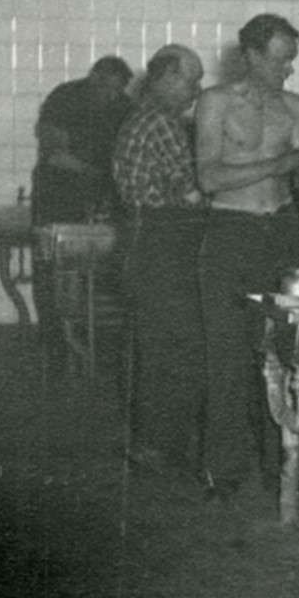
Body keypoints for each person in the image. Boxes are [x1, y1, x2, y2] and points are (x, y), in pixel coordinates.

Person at [194, 13, 299, 501]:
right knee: (226, 355)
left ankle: (282, 463)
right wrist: (281, 163)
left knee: (286, 350)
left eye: (291, 59)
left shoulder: (295, 106)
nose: (287, 69)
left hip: (282, 231)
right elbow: (208, 178)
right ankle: (222, 468)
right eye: (279, 59)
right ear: (250, 55)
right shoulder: (216, 103)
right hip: (230, 231)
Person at [112, 44, 207, 475]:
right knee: (174, 348)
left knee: (156, 347)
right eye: (192, 80)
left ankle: (154, 442)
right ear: (167, 77)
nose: (197, 89)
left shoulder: (140, 117)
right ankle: (159, 445)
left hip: (140, 241)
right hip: (160, 242)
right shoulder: (163, 124)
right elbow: (191, 194)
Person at [33, 55, 133, 225]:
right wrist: (93, 172)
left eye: (118, 90)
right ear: (93, 79)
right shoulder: (65, 97)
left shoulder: (123, 105)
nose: (112, 96)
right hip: (58, 191)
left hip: (101, 193)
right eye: (107, 88)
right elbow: (55, 154)